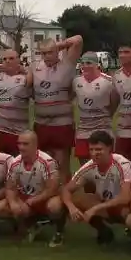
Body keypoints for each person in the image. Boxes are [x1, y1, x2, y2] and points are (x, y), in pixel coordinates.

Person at [61, 130, 131, 248]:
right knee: (76, 199)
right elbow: (66, 190)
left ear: (110, 148)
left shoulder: (122, 164)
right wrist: (71, 207)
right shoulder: (89, 166)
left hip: (123, 206)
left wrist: (95, 208)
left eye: (99, 149)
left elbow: (126, 197)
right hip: (105, 204)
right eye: (91, 150)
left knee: (130, 216)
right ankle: (104, 231)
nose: (95, 153)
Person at [31, 35, 84, 180]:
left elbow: (78, 40)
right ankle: (49, 196)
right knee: (44, 165)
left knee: (62, 164)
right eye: (43, 53)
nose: (46, 56)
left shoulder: (67, 64)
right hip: (41, 123)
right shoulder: (34, 67)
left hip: (61, 123)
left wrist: (58, 46)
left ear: (57, 52)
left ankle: (64, 196)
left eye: (50, 52)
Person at [4, 130, 62, 243]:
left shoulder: (47, 161)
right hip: (27, 197)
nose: (21, 147)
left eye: (25, 144)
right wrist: (13, 203)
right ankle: (29, 226)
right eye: (19, 143)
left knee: (54, 206)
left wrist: (33, 201)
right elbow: (10, 187)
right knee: (1, 208)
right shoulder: (15, 163)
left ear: (35, 145)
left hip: (44, 198)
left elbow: (52, 189)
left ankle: (59, 232)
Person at [72, 53, 118, 165]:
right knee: (85, 167)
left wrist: (106, 116)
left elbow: (115, 103)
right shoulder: (76, 81)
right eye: (82, 63)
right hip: (83, 130)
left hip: (102, 129)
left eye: (88, 63)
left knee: (104, 165)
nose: (85, 66)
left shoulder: (108, 81)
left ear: (97, 64)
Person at [0, 49, 31, 157]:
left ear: (18, 60)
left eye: (11, 58)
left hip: (18, 132)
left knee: (17, 166)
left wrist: (26, 70)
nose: (7, 61)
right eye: (5, 59)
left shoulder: (26, 78)